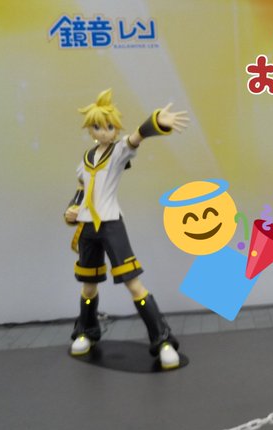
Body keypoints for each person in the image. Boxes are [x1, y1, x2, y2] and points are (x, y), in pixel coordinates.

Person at [64, 88, 189, 369]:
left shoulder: (119, 152)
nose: (104, 131)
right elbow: (81, 193)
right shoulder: (85, 160)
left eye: (109, 126)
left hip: (111, 225)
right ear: (91, 129)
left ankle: (163, 340)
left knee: (133, 284)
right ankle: (86, 331)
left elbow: (137, 136)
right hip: (87, 229)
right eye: (98, 126)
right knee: (88, 287)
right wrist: (71, 211)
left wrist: (155, 121)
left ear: (115, 127)